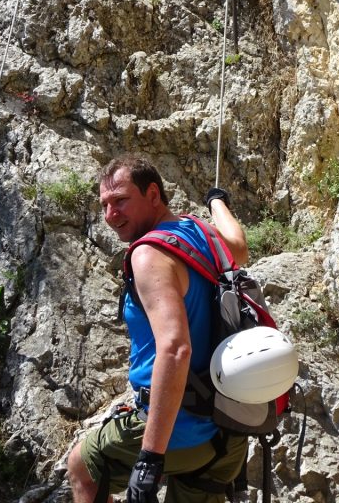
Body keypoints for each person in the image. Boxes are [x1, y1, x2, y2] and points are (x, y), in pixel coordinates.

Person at [67, 154, 250, 502]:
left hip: (182, 431)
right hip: (227, 434)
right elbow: (239, 246)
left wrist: (150, 458)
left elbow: (176, 348)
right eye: (104, 205)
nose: (110, 215)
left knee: (83, 466)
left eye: (121, 201)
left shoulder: (148, 254)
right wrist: (217, 203)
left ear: (153, 194)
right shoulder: (199, 231)